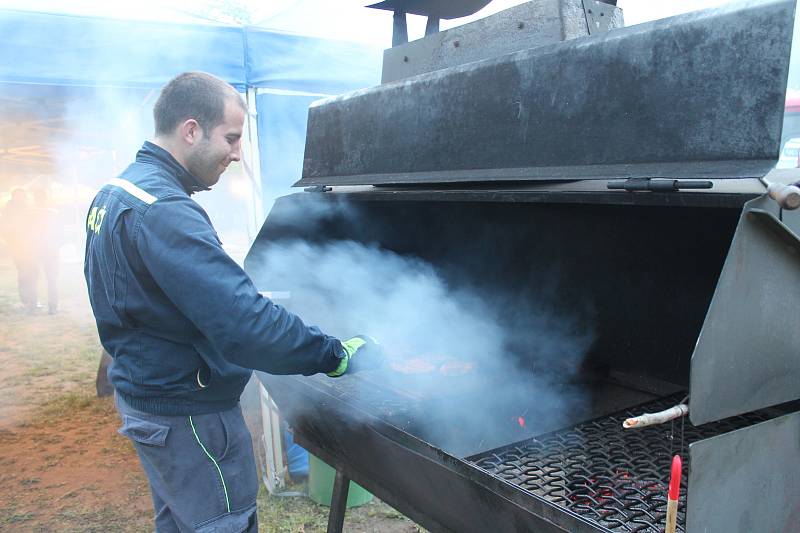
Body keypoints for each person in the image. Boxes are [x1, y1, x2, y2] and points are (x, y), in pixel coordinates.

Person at [83, 72, 379, 533]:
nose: (238, 153)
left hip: (147, 400)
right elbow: (244, 324)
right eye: (232, 137)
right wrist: (335, 355)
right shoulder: (165, 210)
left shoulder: (117, 193)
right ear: (190, 130)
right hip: (191, 418)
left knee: (182, 523)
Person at [1, 188, 38, 312]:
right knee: (24, 274)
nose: (24, 198)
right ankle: (26, 300)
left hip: (29, 246)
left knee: (31, 274)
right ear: (15, 197)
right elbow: (5, 228)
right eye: (22, 196)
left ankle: (31, 300)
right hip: (18, 247)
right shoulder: (10, 209)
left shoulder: (26, 207)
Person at [32, 188, 62, 314]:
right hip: (50, 249)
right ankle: (52, 307)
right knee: (52, 279)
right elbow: (60, 232)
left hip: (34, 249)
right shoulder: (54, 213)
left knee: (32, 278)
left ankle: (31, 305)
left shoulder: (29, 213)